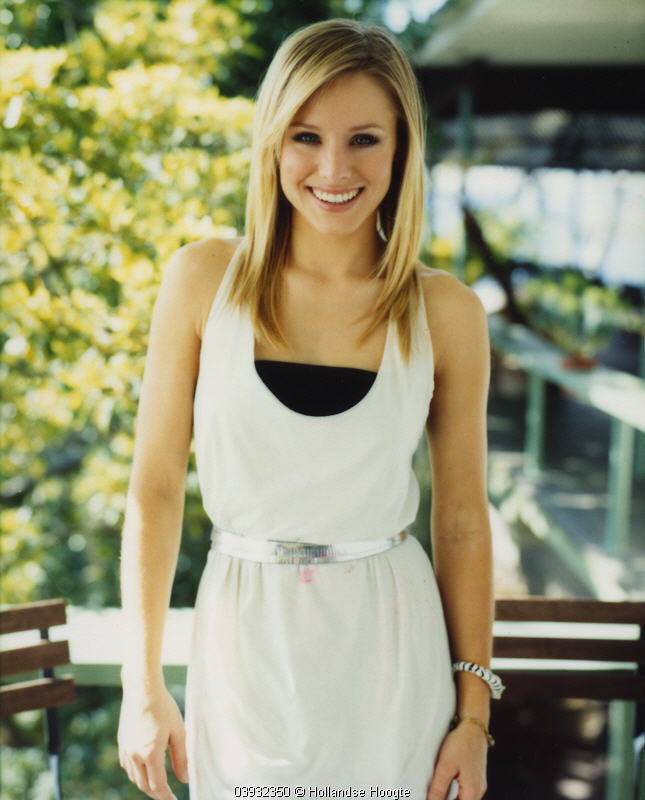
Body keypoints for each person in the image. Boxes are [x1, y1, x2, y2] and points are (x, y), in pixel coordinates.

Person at [117, 17, 500, 800]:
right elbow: (153, 490)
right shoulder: (201, 281)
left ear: (401, 150)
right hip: (242, 646)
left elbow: (461, 520)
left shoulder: (445, 312)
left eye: (364, 140)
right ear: (272, 142)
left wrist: (472, 717)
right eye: (305, 137)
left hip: (392, 653)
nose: (332, 168)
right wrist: (142, 684)